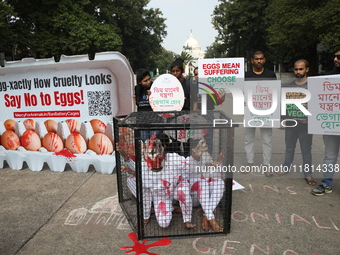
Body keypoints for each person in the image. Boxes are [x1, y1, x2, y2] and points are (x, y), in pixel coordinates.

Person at [118, 133, 196, 229]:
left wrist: (196, 155)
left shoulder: (172, 158)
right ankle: (171, 208)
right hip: (160, 195)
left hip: (175, 189)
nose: (155, 166)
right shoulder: (143, 164)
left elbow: (189, 163)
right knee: (164, 224)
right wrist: (145, 216)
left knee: (182, 190)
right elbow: (145, 194)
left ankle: (187, 219)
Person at [274, 59, 315, 184]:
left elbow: (320, 105)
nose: (298, 71)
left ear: (307, 69)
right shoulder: (288, 86)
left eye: (301, 69)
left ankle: (308, 174)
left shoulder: (313, 86)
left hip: (306, 125)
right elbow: (284, 105)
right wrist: (282, 116)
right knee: (289, 148)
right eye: (296, 69)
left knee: (306, 151)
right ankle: (285, 168)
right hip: (291, 124)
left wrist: (311, 115)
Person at [312, 47, 340, 196]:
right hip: (331, 125)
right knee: (330, 156)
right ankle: (326, 184)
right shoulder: (327, 78)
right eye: (335, 57)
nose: (335, 59)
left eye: (339, 57)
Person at [244, 51, 277, 173]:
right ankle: (250, 164)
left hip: (266, 113)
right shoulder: (246, 75)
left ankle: (266, 165)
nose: (259, 61)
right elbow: (241, 92)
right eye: (256, 59)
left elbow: (275, 92)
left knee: (267, 139)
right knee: (249, 139)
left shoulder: (271, 74)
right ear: (252, 60)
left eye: (261, 59)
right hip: (249, 112)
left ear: (264, 60)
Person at [134, 68, 160, 141]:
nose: (148, 82)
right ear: (139, 82)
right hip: (142, 122)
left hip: (155, 121)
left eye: (149, 79)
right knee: (145, 143)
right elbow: (137, 104)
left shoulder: (156, 88)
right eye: (145, 81)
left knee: (155, 142)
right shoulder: (136, 90)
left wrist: (154, 94)